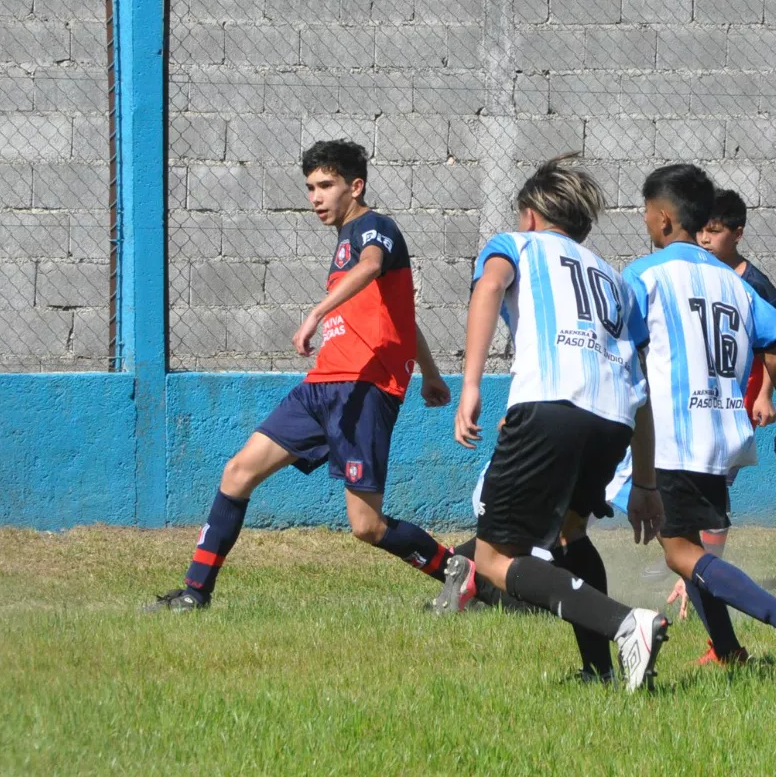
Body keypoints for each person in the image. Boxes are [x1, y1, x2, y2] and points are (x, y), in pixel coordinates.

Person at [144, 140, 456, 612]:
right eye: (310, 187)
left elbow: (372, 268)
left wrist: (314, 314)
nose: (315, 196)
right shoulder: (344, 243)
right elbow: (402, 318)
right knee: (238, 472)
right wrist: (431, 375)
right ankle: (194, 593)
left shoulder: (376, 228)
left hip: (364, 387)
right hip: (320, 387)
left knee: (366, 526)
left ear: (356, 186)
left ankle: (459, 572)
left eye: (326, 185)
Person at [446, 154, 668, 691]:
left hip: (551, 405)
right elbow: (642, 383)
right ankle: (602, 672)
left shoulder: (514, 245)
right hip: (613, 418)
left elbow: (490, 288)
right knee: (570, 535)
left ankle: (625, 624)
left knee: (496, 557)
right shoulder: (617, 282)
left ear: (529, 215)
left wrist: (471, 383)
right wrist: (644, 482)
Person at [623, 164, 776, 675]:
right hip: (722, 433)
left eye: (646, 212)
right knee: (693, 546)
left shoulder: (645, 274)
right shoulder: (736, 283)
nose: (644, 221)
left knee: (677, 552)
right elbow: (775, 345)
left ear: (664, 219)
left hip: (674, 435)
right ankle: (727, 649)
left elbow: (620, 343)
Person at [664, 188, 776, 631]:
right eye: (701, 231)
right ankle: (697, 568)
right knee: (695, 494)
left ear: (737, 234)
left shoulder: (754, 286)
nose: (705, 240)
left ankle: (698, 573)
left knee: (711, 493)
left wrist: (764, 397)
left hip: (732, 408)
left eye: (715, 233)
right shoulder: (697, 277)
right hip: (694, 407)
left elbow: (772, 352)